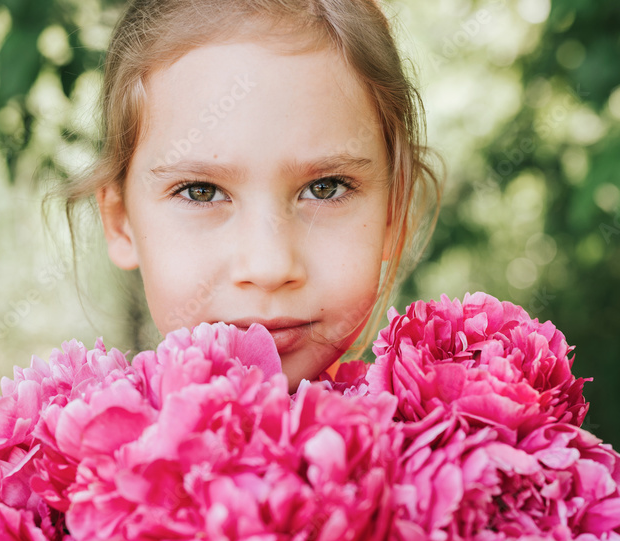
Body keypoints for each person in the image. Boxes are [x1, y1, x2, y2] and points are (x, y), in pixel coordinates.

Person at [57, 0, 443, 394]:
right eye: (201, 192)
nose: (269, 268)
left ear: (394, 214)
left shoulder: (460, 445)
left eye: (324, 188)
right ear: (121, 222)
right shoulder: (61, 455)